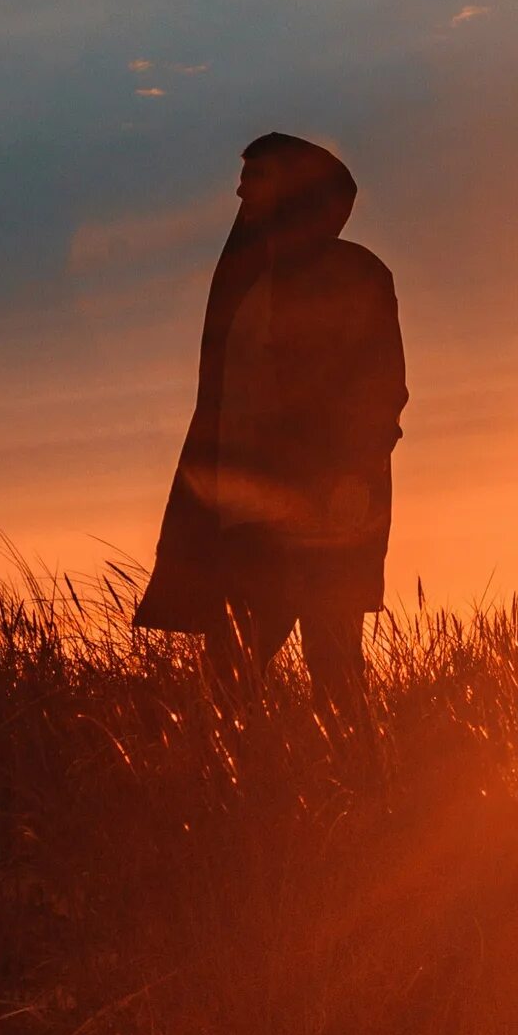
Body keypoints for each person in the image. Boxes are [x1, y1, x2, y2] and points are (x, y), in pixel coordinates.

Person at [134, 132, 406, 726]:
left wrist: (352, 480)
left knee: (332, 665)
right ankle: (236, 801)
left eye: (255, 177)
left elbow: (379, 388)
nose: (239, 189)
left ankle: (354, 798)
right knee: (229, 674)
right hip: (246, 512)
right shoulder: (245, 280)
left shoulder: (354, 274)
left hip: (328, 505)